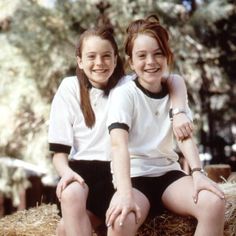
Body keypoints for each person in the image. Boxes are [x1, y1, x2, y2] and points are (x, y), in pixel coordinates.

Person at [48, 26, 193, 236]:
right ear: (79, 61)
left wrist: (179, 111)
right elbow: (59, 153)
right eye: (91, 57)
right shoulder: (69, 88)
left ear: (116, 59)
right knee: (71, 193)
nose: (99, 63)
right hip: (81, 172)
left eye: (106, 56)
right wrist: (66, 173)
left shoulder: (126, 86)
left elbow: (174, 80)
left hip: (116, 175)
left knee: (65, 230)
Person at [106, 15, 225, 236]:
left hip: (169, 175)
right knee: (120, 222)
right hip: (135, 177)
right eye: (142, 56)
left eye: (158, 53)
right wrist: (124, 193)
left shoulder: (174, 86)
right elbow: (118, 146)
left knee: (214, 202)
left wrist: (198, 173)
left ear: (167, 56)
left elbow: (184, 136)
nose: (150, 62)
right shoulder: (124, 94)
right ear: (131, 61)